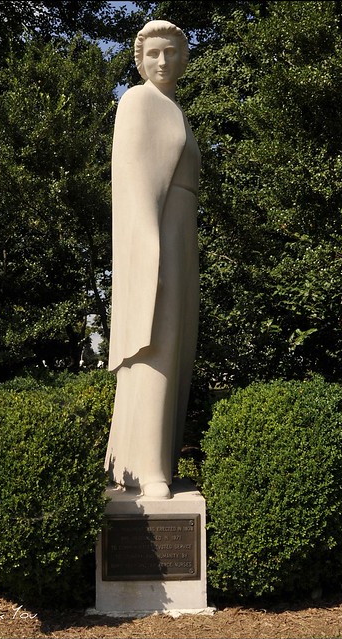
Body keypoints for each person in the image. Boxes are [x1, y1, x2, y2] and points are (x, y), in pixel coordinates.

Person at [105, 20, 201, 499]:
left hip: (181, 233)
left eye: (172, 52)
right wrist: (150, 255)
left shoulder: (176, 110)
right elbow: (134, 184)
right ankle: (145, 468)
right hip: (158, 235)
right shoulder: (137, 102)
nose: (163, 61)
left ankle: (157, 456)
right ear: (141, 60)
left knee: (177, 346)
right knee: (155, 345)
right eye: (154, 54)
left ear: (184, 58)